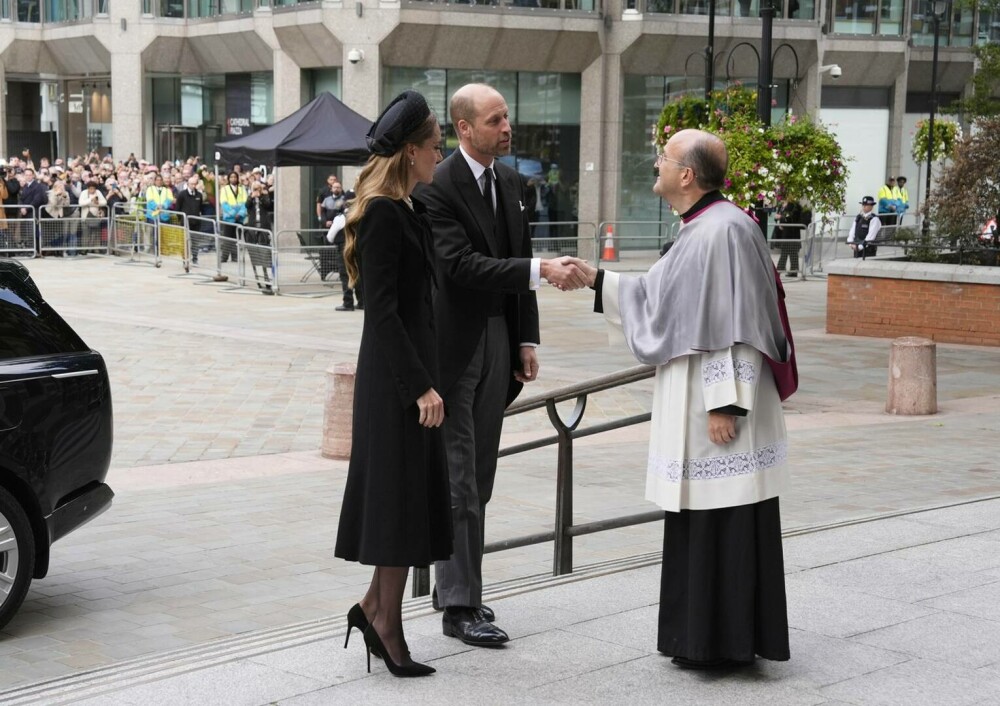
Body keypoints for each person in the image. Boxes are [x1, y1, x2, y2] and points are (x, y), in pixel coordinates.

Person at [576, 129, 792, 670]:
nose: (657, 163)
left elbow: (736, 322)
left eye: (665, 158)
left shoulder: (723, 231)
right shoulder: (704, 226)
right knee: (703, 517)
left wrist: (725, 401)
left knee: (726, 517)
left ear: (688, 175)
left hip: (716, 408)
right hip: (700, 397)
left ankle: (725, 642)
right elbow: (660, 295)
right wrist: (596, 280)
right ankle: (702, 639)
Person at [416, 82, 588, 647]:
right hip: (453, 349)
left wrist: (527, 338)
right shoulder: (436, 188)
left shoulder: (513, 183)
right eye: (494, 120)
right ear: (464, 128)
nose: (506, 127)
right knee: (460, 480)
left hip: (498, 340)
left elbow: (515, 259)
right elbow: (460, 265)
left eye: (507, 117)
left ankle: (454, 586)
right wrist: (539, 270)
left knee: (480, 478)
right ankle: (461, 605)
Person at [333, 90, 451, 678]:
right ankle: (384, 622)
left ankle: (375, 607)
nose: (440, 154)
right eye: (434, 146)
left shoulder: (407, 209)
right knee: (398, 505)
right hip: (395, 387)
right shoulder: (382, 212)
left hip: (409, 379)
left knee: (403, 502)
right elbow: (381, 312)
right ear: (409, 152)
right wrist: (418, 388)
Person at [773, 199, 810, 278]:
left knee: (786, 251)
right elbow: (779, 216)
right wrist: (777, 218)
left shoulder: (794, 205)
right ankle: (793, 270)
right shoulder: (781, 204)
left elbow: (791, 217)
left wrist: (781, 217)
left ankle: (780, 269)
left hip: (792, 232)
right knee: (791, 251)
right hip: (784, 232)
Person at [174, 175, 207, 264]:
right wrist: (180, 218)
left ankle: (195, 258)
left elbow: (200, 207)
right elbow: (178, 208)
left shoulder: (199, 195)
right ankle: (185, 258)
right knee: (185, 241)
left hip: (196, 222)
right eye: (191, 184)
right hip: (185, 221)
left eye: (194, 184)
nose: (193, 186)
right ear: (188, 184)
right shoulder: (182, 194)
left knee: (195, 240)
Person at [218, 171, 247, 263]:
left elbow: (244, 202)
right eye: (231, 177)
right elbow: (224, 203)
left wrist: (241, 214)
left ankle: (235, 256)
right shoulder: (224, 189)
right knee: (227, 238)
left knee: (236, 238)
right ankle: (224, 256)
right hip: (229, 217)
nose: (233, 179)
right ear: (229, 179)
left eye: (235, 177)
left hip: (239, 217)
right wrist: (234, 213)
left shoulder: (242, 189)